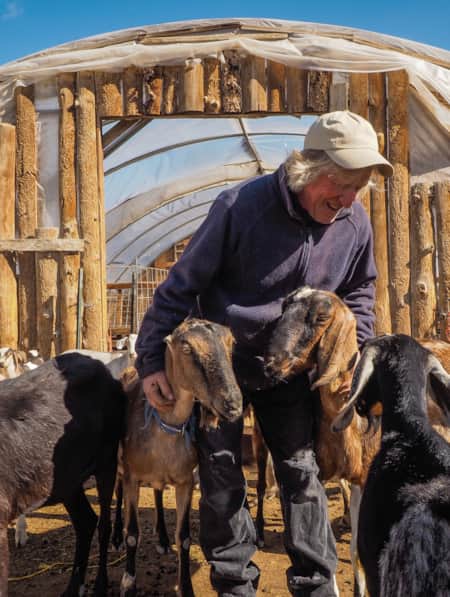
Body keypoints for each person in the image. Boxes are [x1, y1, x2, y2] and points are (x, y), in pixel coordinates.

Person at [135, 110, 393, 596]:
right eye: (338, 184)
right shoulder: (240, 208)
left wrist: (351, 347)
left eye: (357, 188)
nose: (346, 199)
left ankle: (315, 584)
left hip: (292, 369)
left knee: (300, 470)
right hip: (223, 365)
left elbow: (361, 287)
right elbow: (179, 286)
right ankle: (235, 585)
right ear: (306, 170)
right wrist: (151, 361)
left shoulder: (353, 220)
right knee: (222, 473)